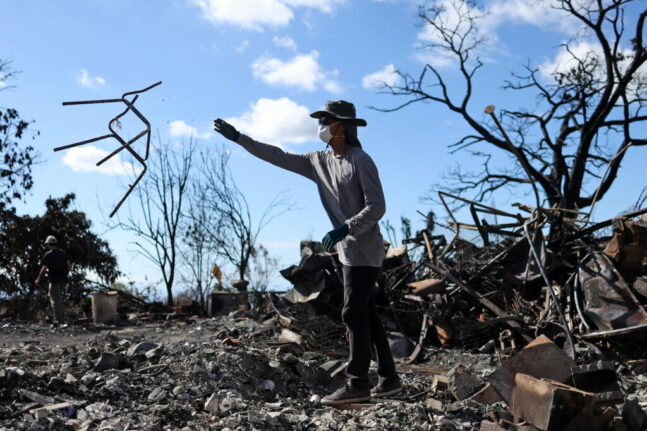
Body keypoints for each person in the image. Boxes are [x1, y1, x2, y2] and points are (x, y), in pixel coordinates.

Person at [214, 100, 402, 404]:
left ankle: (357, 384)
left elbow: (377, 205)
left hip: (365, 251)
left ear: (342, 126)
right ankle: (389, 379)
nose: (321, 126)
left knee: (352, 313)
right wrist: (240, 139)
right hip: (347, 253)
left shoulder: (360, 160)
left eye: (326, 121)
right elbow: (278, 155)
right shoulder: (319, 161)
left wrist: (346, 227)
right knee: (366, 313)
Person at [35, 235, 71, 325]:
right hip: (63, 279)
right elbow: (69, 265)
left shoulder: (48, 255)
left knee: (55, 300)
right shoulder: (63, 253)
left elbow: (44, 268)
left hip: (54, 279)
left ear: (48, 244)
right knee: (57, 297)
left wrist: (38, 279)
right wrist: (65, 273)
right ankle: (58, 318)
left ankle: (59, 320)